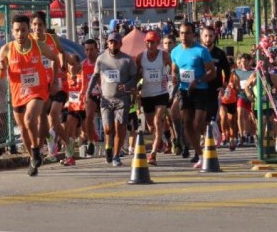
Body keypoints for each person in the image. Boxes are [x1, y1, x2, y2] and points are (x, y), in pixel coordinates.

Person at [0, 14, 59, 176]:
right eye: (17, 30)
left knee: (30, 119)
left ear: (28, 30)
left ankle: (36, 148)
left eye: (23, 30)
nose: (20, 34)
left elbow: (55, 59)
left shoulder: (38, 46)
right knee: (23, 129)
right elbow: (0, 76)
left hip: (37, 91)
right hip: (18, 93)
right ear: (12, 32)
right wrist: (1, 67)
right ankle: (33, 158)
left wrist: (54, 80)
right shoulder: (6, 49)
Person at [85, 31, 138, 167]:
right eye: (110, 42)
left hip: (122, 99)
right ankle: (108, 145)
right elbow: (95, 76)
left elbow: (134, 78)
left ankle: (116, 155)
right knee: (108, 128)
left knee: (119, 127)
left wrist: (126, 85)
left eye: (115, 42)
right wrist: (88, 91)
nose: (113, 44)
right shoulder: (101, 59)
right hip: (106, 99)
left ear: (120, 44)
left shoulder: (127, 60)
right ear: (107, 43)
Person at [30, 11, 75, 164]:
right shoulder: (29, 41)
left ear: (45, 26)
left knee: (53, 115)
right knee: (43, 120)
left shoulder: (51, 38)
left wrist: (64, 65)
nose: (37, 28)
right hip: (41, 87)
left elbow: (61, 52)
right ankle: (67, 142)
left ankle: (51, 147)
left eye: (40, 25)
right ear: (31, 26)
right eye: (34, 25)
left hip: (58, 84)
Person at [170, 22, 216, 168]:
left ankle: (210, 135)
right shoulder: (175, 51)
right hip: (184, 90)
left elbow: (212, 72)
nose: (184, 36)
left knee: (198, 123)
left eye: (187, 33)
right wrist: (174, 76)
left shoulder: (201, 51)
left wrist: (198, 80)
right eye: (182, 33)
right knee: (187, 123)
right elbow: (174, 69)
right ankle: (200, 155)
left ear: (193, 34)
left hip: (200, 89)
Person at [135, 30, 171, 166]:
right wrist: (135, 87)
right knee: (151, 126)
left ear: (158, 43)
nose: (150, 45)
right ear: (145, 43)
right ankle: (162, 139)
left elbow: (174, 68)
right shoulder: (140, 57)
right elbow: (137, 74)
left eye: (153, 42)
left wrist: (172, 76)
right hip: (147, 95)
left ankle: (153, 154)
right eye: (148, 42)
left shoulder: (164, 56)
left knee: (157, 121)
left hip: (161, 93)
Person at [200, 26, 231, 142]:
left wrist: (224, 86)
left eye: (211, 36)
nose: (208, 39)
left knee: (212, 117)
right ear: (201, 36)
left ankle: (212, 136)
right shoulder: (197, 51)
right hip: (199, 88)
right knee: (201, 116)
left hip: (214, 89)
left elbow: (227, 70)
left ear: (214, 37)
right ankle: (205, 136)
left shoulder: (219, 53)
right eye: (206, 36)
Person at [80, 39, 101, 156]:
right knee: (88, 117)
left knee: (109, 122)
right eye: (87, 50)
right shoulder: (83, 64)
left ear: (96, 49)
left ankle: (110, 144)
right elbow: (83, 81)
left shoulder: (101, 62)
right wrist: (83, 94)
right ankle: (91, 141)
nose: (89, 52)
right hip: (91, 94)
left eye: (92, 49)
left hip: (103, 94)